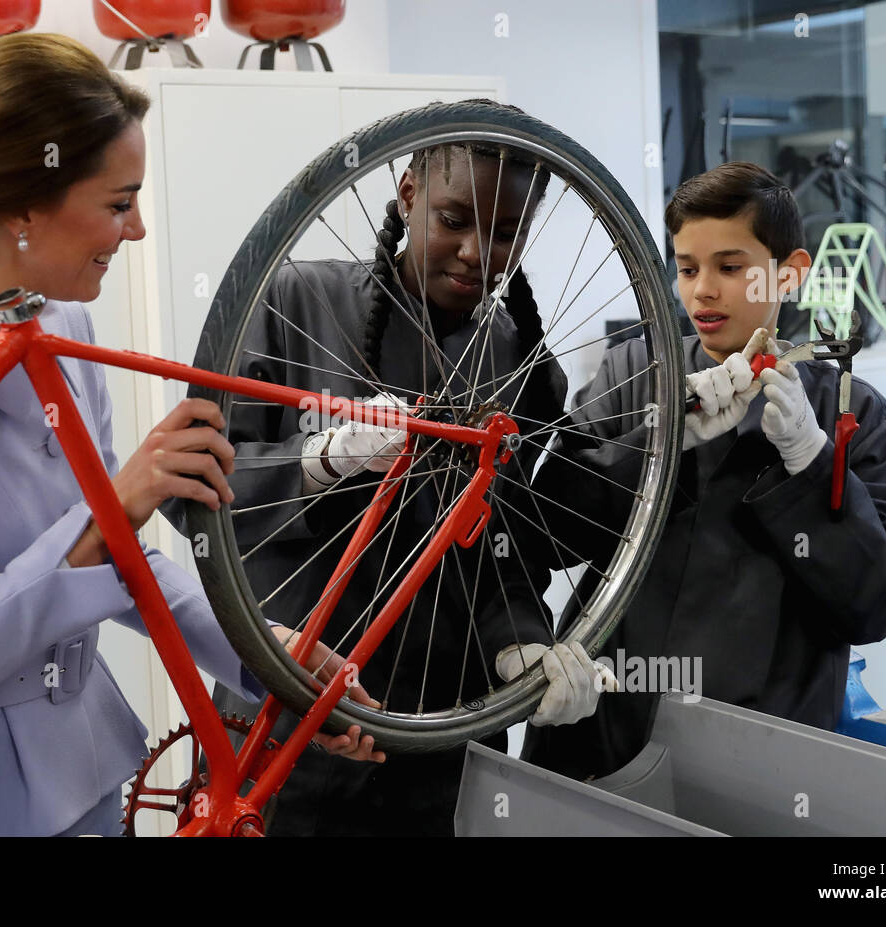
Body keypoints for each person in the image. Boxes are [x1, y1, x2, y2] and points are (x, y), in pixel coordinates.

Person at [0, 33, 376, 838]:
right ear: (24, 207)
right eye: (117, 202)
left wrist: (275, 659)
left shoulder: (61, 327)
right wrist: (112, 506)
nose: (137, 230)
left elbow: (120, 556)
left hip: (82, 780)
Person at [188, 103, 618, 837]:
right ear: (409, 192)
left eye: (507, 232)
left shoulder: (514, 352)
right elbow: (190, 499)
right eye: (454, 218)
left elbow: (502, 544)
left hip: (446, 731)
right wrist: (318, 463)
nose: (478, 252)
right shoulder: (293, 297)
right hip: (292, 715)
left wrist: (521, 640)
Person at [521, 161, 886, 780]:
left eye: (730, 268)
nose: (702, 290)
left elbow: (877, 606)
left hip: (758, 756)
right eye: (686, 268)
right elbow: (545, 532)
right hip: (607, 728)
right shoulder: (635, 374)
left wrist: (810, 464)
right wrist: (658, 440)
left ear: (790, 273)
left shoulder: (853, 414)